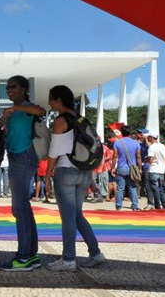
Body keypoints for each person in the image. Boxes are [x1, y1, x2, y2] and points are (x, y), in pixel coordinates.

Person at [44, 85, 105, 271]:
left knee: (68, 217)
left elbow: (54, 151)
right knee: (77, 215)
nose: (49, 102)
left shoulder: (61, 120)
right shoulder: (82, 119)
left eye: (51, 99)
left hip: (66, 171)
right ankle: (95, 253)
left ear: (59, 101)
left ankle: (68, 258)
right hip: (84, 172)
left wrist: (47, 176)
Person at [0, 75, 45, 272]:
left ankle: (24, 255)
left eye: (14, 87)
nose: (9, 90)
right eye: (7, 87)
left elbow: (41, 111)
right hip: (15, 157)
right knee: (23, 208)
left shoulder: (27, 107)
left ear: (24, 89)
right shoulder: (12, 112)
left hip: (24, 157)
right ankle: (31, 254)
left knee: (19, 207)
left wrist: (16, 108)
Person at [112, 125, 141, 211]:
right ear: (130, 133)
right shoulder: (136, 143)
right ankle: (135, 206)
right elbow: (138, 157)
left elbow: (115, 156)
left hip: (121, 168)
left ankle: (118, 206)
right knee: (132, 187)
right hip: (132, 169)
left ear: (121, 132)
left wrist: (113, 167)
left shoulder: (117, 143)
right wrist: (139, 168)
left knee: (120, 188)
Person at [146, 133, 165, 210]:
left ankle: (157, 206)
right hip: (161, 170)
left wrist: (147, 159)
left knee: (155, 189)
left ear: (151, 138)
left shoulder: (152, 147)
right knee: (161, 189)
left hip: (153, 170)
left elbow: (151, 160)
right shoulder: (163, 146)